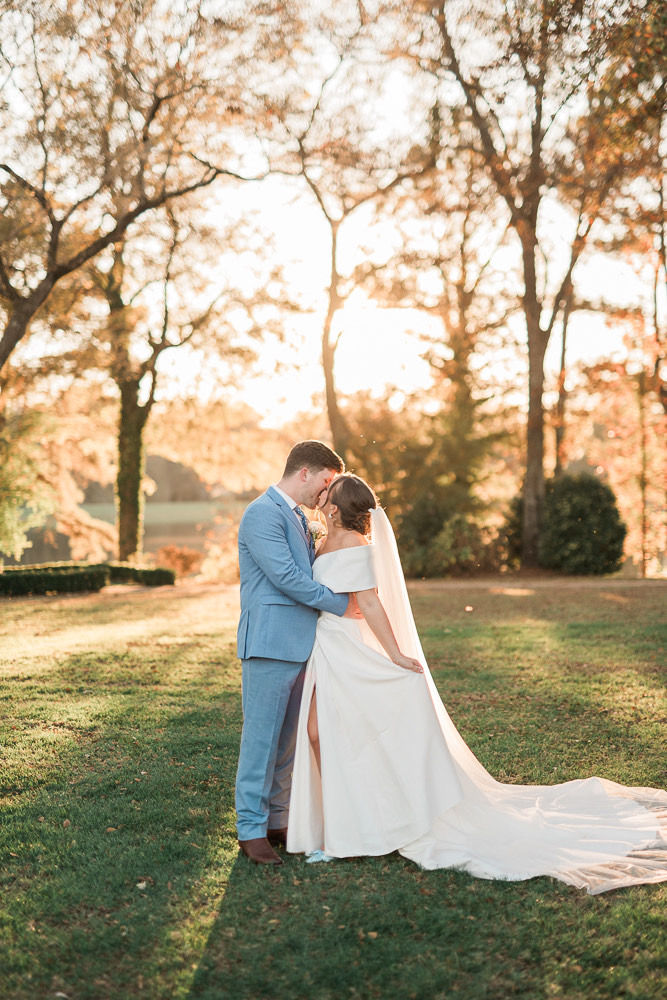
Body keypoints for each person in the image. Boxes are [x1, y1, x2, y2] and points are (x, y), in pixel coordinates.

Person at [286, 473, 667, 894]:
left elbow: (370, 601)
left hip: (349, 653)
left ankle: (361, 825)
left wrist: (394, 654)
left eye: (328, 492)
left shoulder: (356, 546)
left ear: (336, 507)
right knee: (322, 733)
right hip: (328, 650)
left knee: (331, 734)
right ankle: (349, 822)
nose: (322, 495)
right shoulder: (321, 537)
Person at [235, 440, 348, 866]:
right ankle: (250, 829)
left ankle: (278, 820)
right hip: (268, 643)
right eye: (324, 483)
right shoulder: (261, 513)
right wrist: (341, 604)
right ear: (304, 472)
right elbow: (285, 576)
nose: (325, 494)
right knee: (260, 741)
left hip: (303, 645)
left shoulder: (300, 517)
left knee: (287, 744)